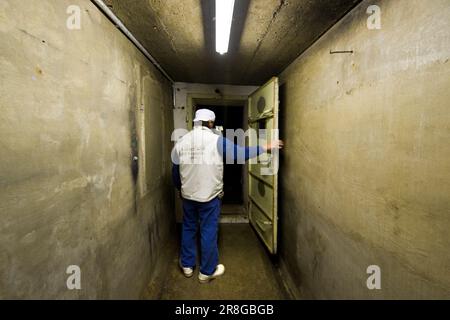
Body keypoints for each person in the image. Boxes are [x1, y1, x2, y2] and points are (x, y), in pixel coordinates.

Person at [171, 109, 283, 283]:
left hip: (188, 196)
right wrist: (265, 146)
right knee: (208, 231)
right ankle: (207, 272)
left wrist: (181, 189)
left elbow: (175, 172)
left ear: (195, 122)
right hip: (209, 197)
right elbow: (239, 155)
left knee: (188, 228)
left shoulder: (181, 141)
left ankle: (187, 266)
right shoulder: (216, 140)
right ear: (210, 123)